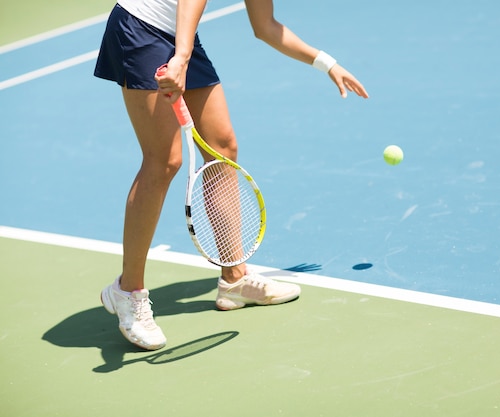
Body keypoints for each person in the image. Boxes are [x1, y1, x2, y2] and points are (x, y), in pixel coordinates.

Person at [94, 0, 369, 351]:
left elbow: (265, 26)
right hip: (140, 26)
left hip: (179, 38)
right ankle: (126, 290)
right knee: (164, 161)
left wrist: (326, 63)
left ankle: (234, 278)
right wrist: (180, 58)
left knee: (223, 148)